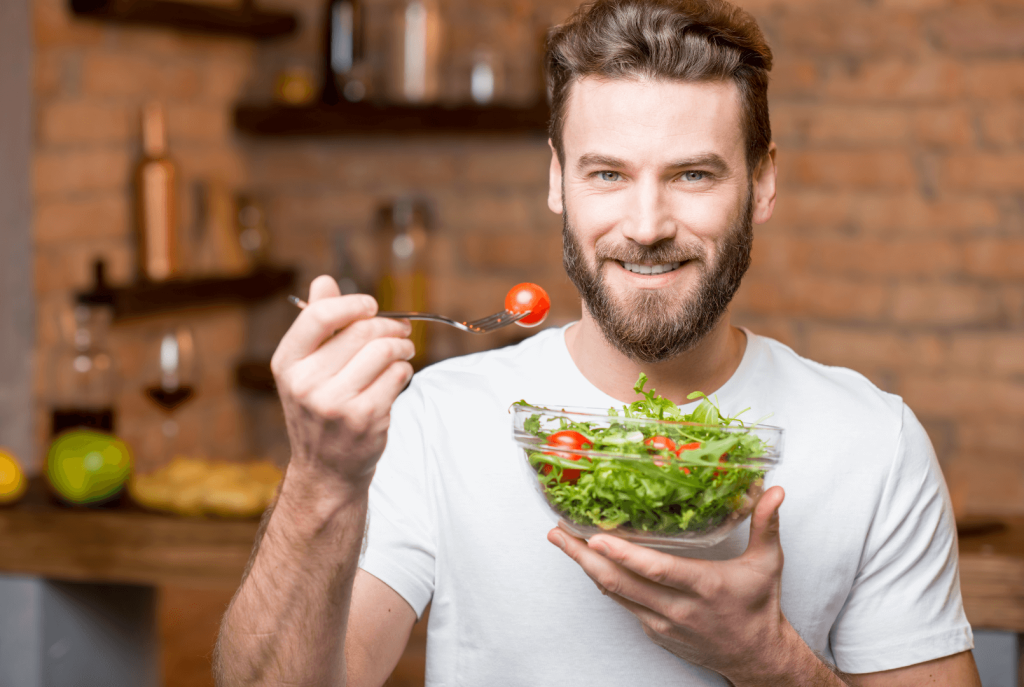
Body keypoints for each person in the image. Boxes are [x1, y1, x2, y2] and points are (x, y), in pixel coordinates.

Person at [214, 0, 982, 684]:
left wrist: (768, 661)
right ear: (558, 181)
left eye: (692, 175)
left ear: (763, 181)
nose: (646, 226)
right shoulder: (434, 421)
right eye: (608, 174)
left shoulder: (873, 441)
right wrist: (320, 478)